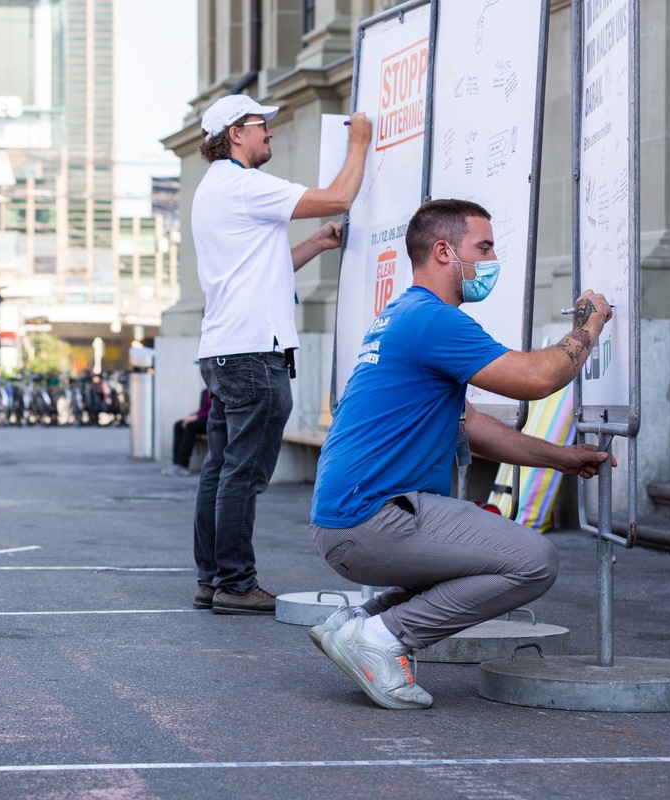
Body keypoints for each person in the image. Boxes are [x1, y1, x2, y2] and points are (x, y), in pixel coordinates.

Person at [308, 198, 615, 709]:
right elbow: (537, 379)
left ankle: (360, 624)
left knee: (483, 555)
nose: (493, 259)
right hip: (372, 520)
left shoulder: (404, 313)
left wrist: (559, 457)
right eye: (485, 247)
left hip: (349, 520)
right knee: (533, 561)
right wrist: (588, 326)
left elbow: (470, 424)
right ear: (445, 251)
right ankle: (383, 638)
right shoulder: (433, 319)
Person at [191, 94, 373, 615]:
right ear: (234, 134)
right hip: (252, 353)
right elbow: (340, 195)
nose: (269, 132)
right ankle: (234, 583)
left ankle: (213, 579)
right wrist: (358, 141)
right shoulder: (245, 186)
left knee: (222, 469)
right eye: (260, 124)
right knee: (242, 474)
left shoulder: (214, 191)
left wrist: (314, 244)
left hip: (226, 348)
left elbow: (260, 268)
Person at [161, 387, 212, 477]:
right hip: (203, 418)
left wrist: (195, 417)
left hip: (213, 420)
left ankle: (182, 465)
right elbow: (202, 409)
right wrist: (190, 417)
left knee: (190, 426)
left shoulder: (217, 388)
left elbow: (214, 410)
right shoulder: (204, 391)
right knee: (179, 425)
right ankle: (176, 463)